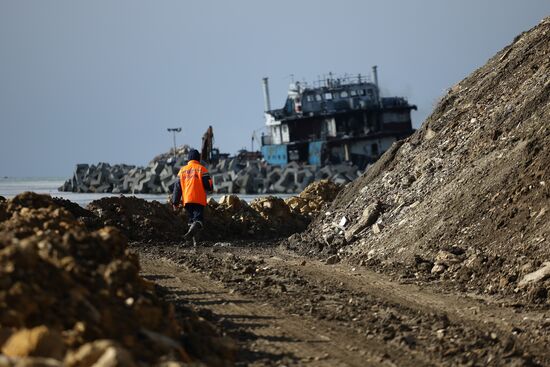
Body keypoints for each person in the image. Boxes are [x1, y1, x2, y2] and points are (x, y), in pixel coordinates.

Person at [171, 149, 213, 242]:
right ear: (198, 158)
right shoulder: (201, 169)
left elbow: (177, 188)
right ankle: (192, 235)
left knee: (191, 220)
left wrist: (175, 202)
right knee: (198, 221)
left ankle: (194, 243)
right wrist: (210, 188)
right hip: (199, 199)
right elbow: (208, 184)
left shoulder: (182, 170)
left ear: (188, 159)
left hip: (187, 200)